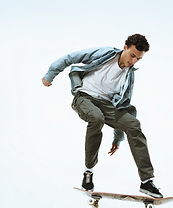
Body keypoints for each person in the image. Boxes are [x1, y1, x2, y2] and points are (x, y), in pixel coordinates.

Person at [41, 34, 163, 198]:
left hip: (106, 105)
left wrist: (117, 139)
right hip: (84, 97)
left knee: (133, 124)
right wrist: (50, 75)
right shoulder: (104, 54)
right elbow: (71, 57)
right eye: (132, 56)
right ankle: (88, 171)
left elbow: (123, 107)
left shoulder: (129, 76)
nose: (133, 61)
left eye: (138, 59)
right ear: (125, 47)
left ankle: (147, 181)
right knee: (96, 118)